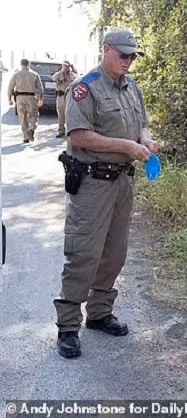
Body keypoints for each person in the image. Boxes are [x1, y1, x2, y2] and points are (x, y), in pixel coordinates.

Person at [54, 28, 158, 359]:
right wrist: (125, 145)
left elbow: (141, 123)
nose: (128, 61)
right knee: (84, 253)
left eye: (132, 56)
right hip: (92, 184)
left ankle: (98, 314)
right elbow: (79, 137)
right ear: (106, 50)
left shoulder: (132, 88)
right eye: (123, 54)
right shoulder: (85, 88)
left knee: (115, 254)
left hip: (122, 183)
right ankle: (68, 326)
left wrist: (145, 139)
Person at [7, 59, 43, 143]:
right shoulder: (34, 74)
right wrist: (41, 98)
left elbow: (10, 87)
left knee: (23, 117)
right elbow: (40, 88)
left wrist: (10, 99)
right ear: (28, 64)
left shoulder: (16, 74)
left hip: (20, 97)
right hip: (31, 97)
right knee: (34, 115)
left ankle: (25, 137)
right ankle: (31, 128)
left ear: (21, 64)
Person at [52, 60, 78, 138]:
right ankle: (61, 131)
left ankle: (69, 131)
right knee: (60, 114)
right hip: (60, 96)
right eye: (64, 66)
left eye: (67, 66)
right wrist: (61, 72)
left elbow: (77, 80)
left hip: (69, 96)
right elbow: (53, 78)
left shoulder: (72, 75)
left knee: (69, 114)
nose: (65, 68)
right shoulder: (59, 74)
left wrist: (70, 73)